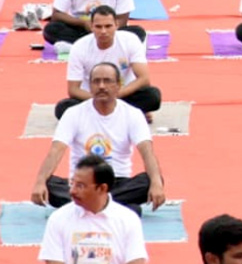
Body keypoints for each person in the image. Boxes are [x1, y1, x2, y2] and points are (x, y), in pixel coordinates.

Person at [32, 62, 166, 213]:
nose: (101, 86)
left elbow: (147, 152)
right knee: (49, 184)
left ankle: (88, 204)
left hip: (117, 182)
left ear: (118, 86)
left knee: (151, 180)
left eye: (107, 81)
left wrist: (156, 183)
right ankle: (115, 207)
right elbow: (56, 151)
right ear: (89, 86)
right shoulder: (73, 113)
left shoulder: (133, 114)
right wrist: (40, 182)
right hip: (81, 183)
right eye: (96, 81)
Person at [39, 154, 147, 264]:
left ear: (102, 188)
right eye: (72, 183)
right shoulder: (58, 218)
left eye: (81, 186)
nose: (72, 191)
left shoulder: (127, 219)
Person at [54, 5, 161, 119]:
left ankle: (108, 114)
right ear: (91, 27)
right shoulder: (79, 47)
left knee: (153, 96)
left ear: (116, 25)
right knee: (63, 109)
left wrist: (115, 96)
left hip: (123, 94)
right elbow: (73, 90)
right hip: (92, 97)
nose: (103, 31)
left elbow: (144, 79)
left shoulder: (130, 40)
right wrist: (100, 99)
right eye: (98, 27)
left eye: (108, 26)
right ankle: (127, 114)